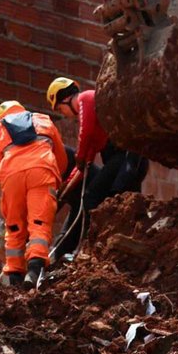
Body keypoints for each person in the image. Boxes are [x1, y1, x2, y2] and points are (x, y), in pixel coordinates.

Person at [46, 77, 149, 258]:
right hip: (123, 161)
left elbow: (84, 136)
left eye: (60, 109)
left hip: (127, 158)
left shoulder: (86, 98)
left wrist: (79, 156)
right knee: (116, 199)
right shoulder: (96, 120)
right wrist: (65, 188)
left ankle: (89, 248)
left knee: (94, 197)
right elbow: (85, 162)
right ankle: (120, 246)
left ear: (66, 99)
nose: (64, 114)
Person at [0, 100, 68, 288]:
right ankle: (34, 270)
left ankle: (15, 276)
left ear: (0, 118)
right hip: (42, 171)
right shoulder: (44, 120)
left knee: (14, 226)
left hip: (12, 177)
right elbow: (62, 160)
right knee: (39, 223)